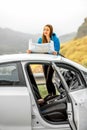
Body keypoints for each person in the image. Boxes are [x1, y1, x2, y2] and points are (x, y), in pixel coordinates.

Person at [27, 24, 60, 97]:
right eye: (44, 29)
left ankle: (53, 96)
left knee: (48, 79)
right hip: (44, 62)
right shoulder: (40, 39)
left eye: (47, 30)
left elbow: (57, 51)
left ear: (51, 31)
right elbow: (37, 50)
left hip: (52, 62)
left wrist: (49, 40)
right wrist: (31, 51)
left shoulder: (55, 39)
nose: (45, 31)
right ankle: (51, 96)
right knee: (46, 80)